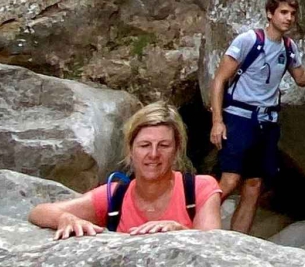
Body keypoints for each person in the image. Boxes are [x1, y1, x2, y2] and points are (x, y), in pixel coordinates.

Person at [209, 0, 305, 233]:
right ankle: (191, 224)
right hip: (239, 117)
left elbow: (301, 78)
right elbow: (219, 80)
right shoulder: (248, 41)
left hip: (267, 122)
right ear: (270, 14)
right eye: (283, 12)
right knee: (229, 180)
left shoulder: (289, 47)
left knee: (254, 183)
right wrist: (218, 121)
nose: (288, 18)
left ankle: (237, 242)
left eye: (292, 13)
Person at [27, 101, 223, 237]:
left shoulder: (199, 189)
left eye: (163, 145)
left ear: (177, 149)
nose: (153, 154)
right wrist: (66, 218)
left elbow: (214, 245)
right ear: (131, 150)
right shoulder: (116, 197)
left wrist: (179, 232)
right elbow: (39, 212)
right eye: (145, 145)